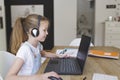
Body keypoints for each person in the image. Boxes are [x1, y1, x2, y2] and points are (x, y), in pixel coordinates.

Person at [5, 14, 68, 80]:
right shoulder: (25, 50)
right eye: (44, 30)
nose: (47, 33)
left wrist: (58, 56)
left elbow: (44, 53)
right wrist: (40, 77)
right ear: (33, 31)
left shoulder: (37, 45)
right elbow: (9, 77)